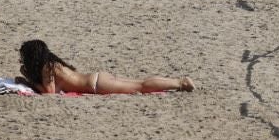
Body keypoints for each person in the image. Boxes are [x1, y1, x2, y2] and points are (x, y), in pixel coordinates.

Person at [15, 39, 193, 95]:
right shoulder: (53, 63)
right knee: (140, 83)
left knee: (141, 87)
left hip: (95, 85)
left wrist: (27, 81)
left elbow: (49, 93)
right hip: (97, 77)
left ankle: (179, 83)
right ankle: (178, 82)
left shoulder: (47, 68)